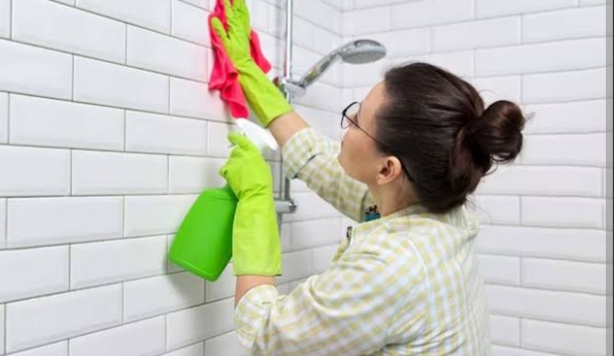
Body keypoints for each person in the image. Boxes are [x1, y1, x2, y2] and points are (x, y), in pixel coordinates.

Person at [212, 0, 526, 354]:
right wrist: (249, 73)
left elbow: (265, 336)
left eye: (357, 119)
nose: (346, 125)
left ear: (387, 169)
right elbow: (321, 162)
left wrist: (255, 201)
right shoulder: (432, 209)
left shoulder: (390, 267)